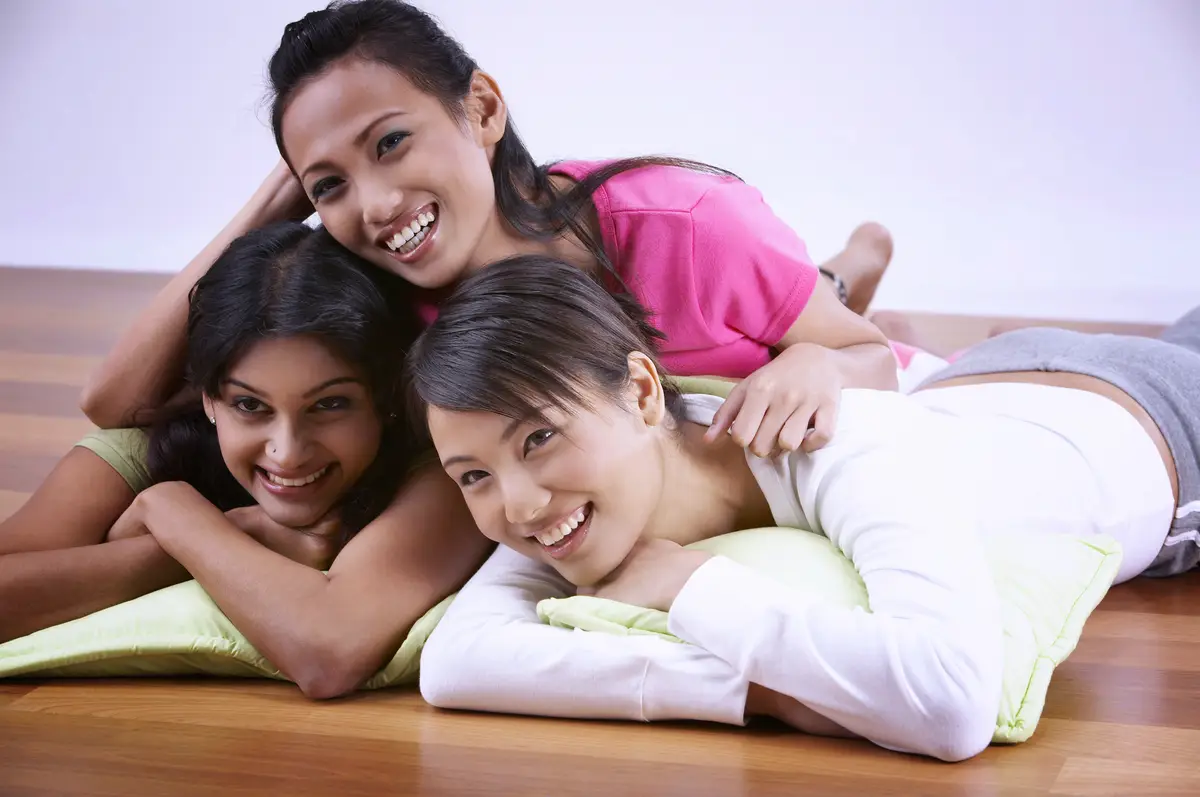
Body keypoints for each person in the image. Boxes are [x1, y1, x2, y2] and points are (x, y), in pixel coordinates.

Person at [405, 255, 1197, 762]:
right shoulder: (560, 507)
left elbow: (954, 701)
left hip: (1153, 422)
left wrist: (690, 585)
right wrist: (762, 693)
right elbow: (455, 664)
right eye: (472, 475)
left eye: (539, 437)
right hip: (975, 378)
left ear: (643, 392)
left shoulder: (836, 446)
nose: (517, 503)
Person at [81, 0, 899, 460]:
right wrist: (271, 208)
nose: (376, 205)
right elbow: (119, 402)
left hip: (742, 300)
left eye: (390, 143)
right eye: (329, 183)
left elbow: (872, 359)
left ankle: (852, 261)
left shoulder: (687, 225)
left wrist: (819, 359)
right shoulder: (373, 287)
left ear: (481, 108)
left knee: (818, 304)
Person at [0, 223, 491, 699]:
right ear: (208, 399)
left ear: (383, 398)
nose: (287, 452)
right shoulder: (148, 449)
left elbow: (327, 654)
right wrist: (209, 534)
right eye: (250, 405)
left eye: (329, 404)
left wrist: (175, 518)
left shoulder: (446, 469)